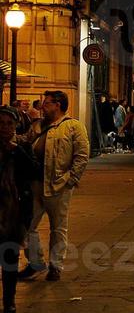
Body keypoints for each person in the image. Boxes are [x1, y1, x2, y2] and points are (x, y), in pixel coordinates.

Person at [19, 91, 88, 282]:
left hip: (58, 185)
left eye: (47, 103)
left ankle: (55, 266)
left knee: (58, 228)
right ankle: (35, 263)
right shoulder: (38, 126)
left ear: (58, 105)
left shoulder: (73, 126)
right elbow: (24, 141)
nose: (43, 106)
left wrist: (70, 179)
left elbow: (82, 155)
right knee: (27, 226)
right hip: (35, 184)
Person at [0, 106, 39, 313]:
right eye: (1, 123)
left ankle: (9, 300)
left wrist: (16, 150)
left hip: (13, 213)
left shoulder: (22, 147)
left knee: (9, 259)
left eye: (9, 123)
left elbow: (34, 171)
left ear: (16, 126)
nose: (5, 128)